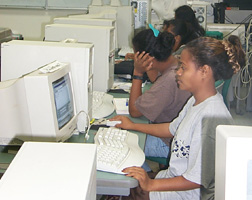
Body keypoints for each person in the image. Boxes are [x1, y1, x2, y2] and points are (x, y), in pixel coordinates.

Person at [111, 36, 245, 200]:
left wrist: (152, 185)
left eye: (183, 67)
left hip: (188, 194)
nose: (178, 72)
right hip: (175, 179)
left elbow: (198, 180)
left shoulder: (212, 117)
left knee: (129, 192)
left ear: (204, 71)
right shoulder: (196, 101)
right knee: (127, 182)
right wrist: (132, 126)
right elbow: (171, 128)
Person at [128, 27, 191, 171]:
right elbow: (155, 79)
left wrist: (137, 72)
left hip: (169, 144)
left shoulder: (169, 81)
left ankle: (146, 178)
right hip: (177, 135)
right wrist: (149, 64)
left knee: (125, 143)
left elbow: (134, 111)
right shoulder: (176, 65)